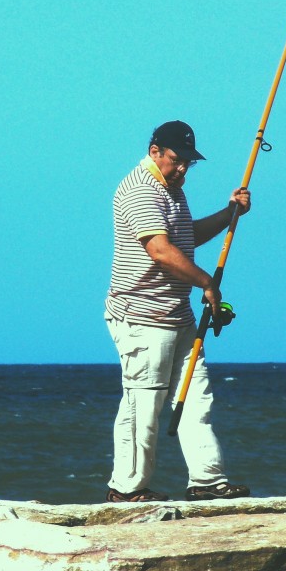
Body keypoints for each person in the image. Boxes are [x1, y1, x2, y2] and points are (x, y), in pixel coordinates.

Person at [104, 120, 252, 502]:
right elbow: (161, 251)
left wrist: (229, 213)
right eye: (177, 159)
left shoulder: (172, 190)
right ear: (155, 151)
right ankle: (127, 488)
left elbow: (185, 238)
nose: (183, 167)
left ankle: (207, 480)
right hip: (141, 318)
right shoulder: (140, 190)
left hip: (177, 315)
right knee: (144, 404)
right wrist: (207, 282)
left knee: (197, 398)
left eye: (189, 161)